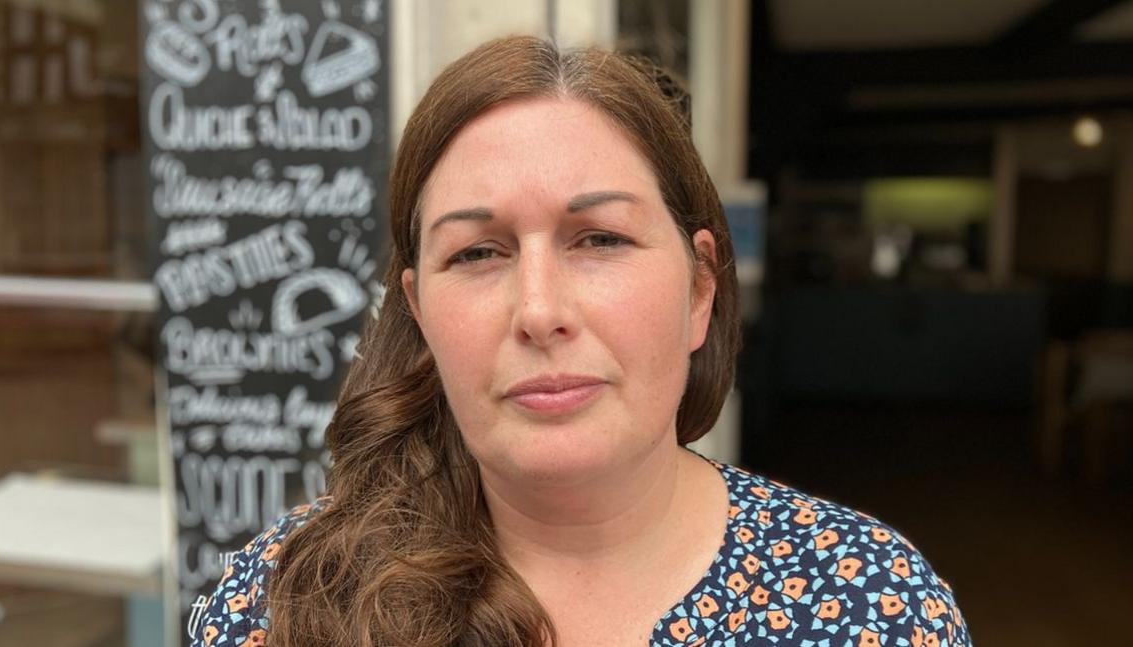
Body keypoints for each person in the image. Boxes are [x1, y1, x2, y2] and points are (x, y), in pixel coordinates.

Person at [192, 36, 970, 647]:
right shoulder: (280, 602)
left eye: (598, 238)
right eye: (476, 252)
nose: (538, 308)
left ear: (700, 289)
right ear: (420, 313)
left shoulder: (871, 601)